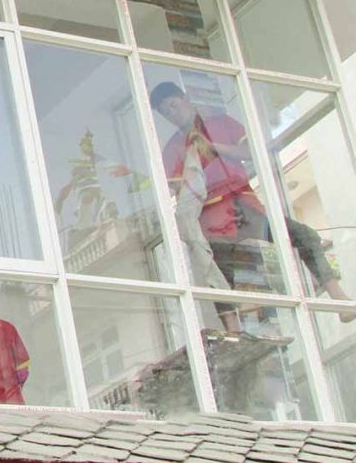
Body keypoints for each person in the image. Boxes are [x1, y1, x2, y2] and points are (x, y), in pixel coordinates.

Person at [149, 81, 355, 327]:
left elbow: (250, 152)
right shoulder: (173, 148)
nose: (173, 114)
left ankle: (339, 298)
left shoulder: (220, 123)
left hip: (243, 202)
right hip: (211, 215)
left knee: (304, 236)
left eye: (174, 105)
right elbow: (174, 189)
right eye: (166, 112)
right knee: (219, 274)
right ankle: (233, 330)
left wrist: (213, 147)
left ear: (185, 98)